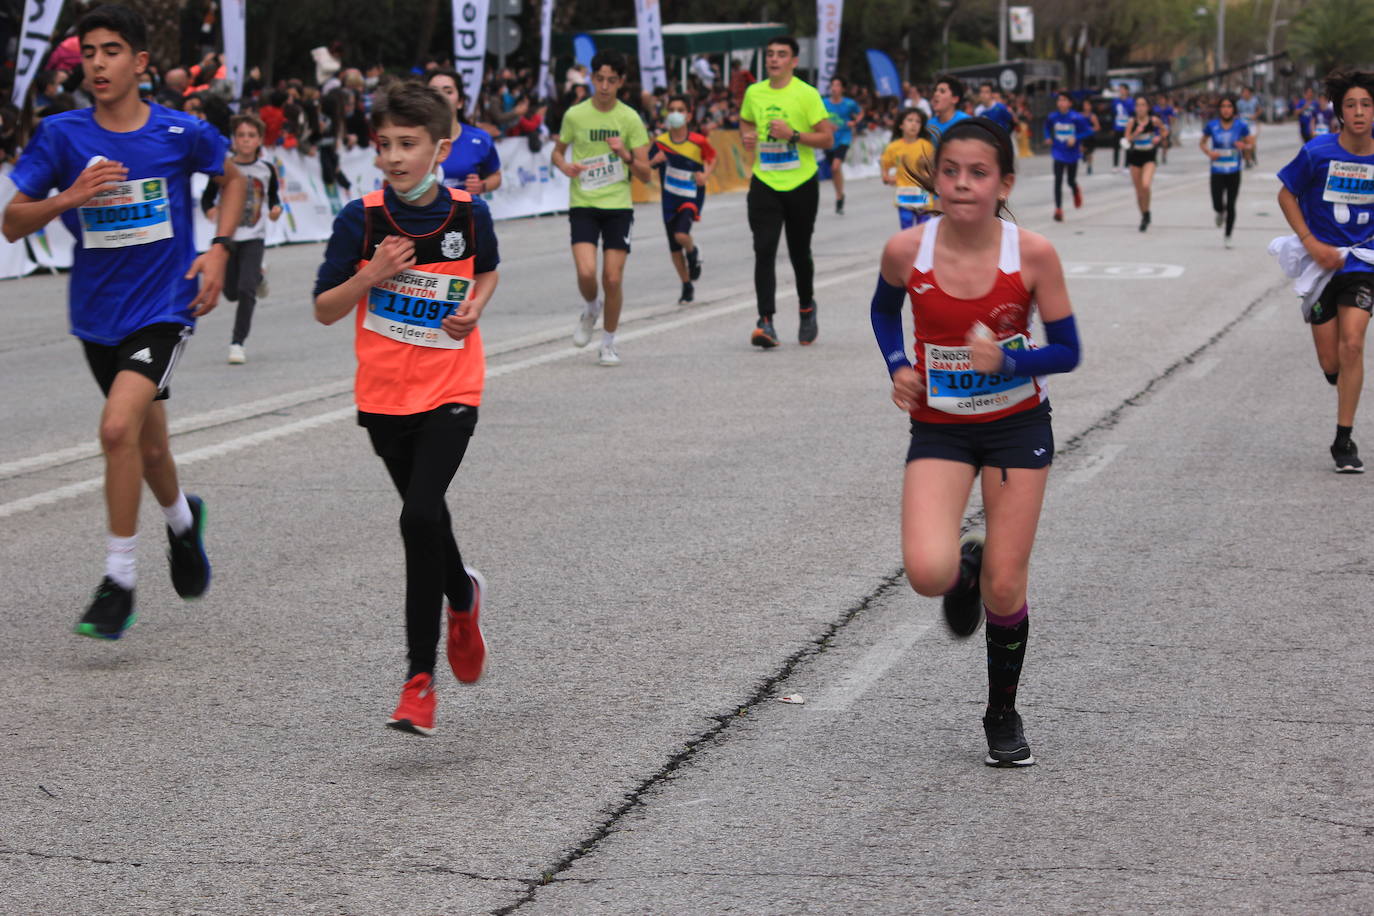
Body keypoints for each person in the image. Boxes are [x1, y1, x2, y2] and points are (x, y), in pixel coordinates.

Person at [1, 3, 244, 639]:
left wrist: (217, 249)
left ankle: (119, 580)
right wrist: (71, 197)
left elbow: (235, 177)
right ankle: (184, 526)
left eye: (111, 51)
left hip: (165, 307)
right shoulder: (62, 135)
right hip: (96, 316)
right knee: (150, 445)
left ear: (139, 62)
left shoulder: (178, 131)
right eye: (89, 53)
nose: (98, 64)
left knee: (116, 430)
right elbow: (12, 220)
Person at [869, 117, 1081, 767]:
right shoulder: (907, 250)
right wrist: (898, 365)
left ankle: (1001, 713)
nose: (962, 184)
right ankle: (965, 561)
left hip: (1017, 426)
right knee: (928, 572)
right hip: (941, 425)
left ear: (1004, 183)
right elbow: (883, 311)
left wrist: (1011, 365)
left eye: (978, 173)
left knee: (1005, 588)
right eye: (951, 171)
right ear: (935, 177)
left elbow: (1068, 351)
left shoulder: (1033, 254)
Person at [313, 81, 500, 735]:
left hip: (452, 387)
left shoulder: (467, 214)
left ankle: (418, 682)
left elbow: (486, 270)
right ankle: (462, 595)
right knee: (427, 522)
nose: (394, 157)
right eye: (385, 144)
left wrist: (475, 305)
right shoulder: (359, 220)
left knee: (418, 515)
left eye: (408, 144)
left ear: (441, 147)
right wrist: (370, 277)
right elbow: (324, 309)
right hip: (384, 396)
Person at [1276, 70, 1374, 474]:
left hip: (1363, 264)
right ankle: (1338, 376)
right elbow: (1286, 194)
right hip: (1321, 269)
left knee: (1353, 344)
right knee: (1331, 360)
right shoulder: (1317, 153)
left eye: (1366, 104)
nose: (1359, 112)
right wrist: (1311, 243)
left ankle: (1343, 438)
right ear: (1339, 112)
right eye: (1350, 105)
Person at [550, 49, 651, 367]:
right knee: (586, 271)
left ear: (621, 82)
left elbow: (646, 174)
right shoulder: (576, 115)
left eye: (611, 80)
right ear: (591, 78)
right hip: (584, 203)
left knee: (612, 278)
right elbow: (557, 152)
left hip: (619, 206)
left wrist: (625, 155)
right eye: (599, 79)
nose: (604, 86)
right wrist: (565, 166)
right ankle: (591, 308)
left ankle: (608, 343)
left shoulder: (630, 119)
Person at [739, 36, 834, 348]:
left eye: (781, 55)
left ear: (794, 61)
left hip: (801, 182)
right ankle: (765, 321)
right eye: (770, 54)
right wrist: (748, 137)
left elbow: (826, 139)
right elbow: (745, 122)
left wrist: (792, 135)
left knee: (798, 251)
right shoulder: (754, 92)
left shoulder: (806, 94)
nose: (774, 59)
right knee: (764, 248)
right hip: (765, 182)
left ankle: (807, 307)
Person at [200, 113, 281, 364]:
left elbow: (274, 197)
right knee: (232, 292)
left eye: (251, 136)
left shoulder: (266, 169)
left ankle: (238, 343)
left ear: (259, 140)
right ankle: (259, 275)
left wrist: (276, 209)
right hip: (228, 236)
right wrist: (210, 210)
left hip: (254, 236)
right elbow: (207, 197)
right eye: (241, 135)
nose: (246, 140)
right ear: (233, 140)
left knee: (246, 290)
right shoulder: (224, 167)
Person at [649, 94, 716, 305]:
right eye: (672, 110)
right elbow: (647, 165)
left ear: (688, 115)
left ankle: (693, 250)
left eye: (680, 110)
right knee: (673, 245)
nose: (675, 114)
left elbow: (712, 157)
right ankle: (686, 284)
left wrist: (705, 174)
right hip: (669, 197)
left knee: (681, 234)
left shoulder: (698, 141)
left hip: (691, 195)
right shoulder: (660, 142)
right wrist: (654, 161)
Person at [426, 69, 503, 196]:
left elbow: (496, 176)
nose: (441, 97)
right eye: (434, 92)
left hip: (467, 214)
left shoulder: (480, 139)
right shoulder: (413, 140)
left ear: (460, 102)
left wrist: (482, 186)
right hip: (425, 215)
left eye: (448, 91)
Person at [1199, 95, 1252, 249]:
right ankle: (1219, 212)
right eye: (1223, 106)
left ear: (1233, 109)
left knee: (1231, 204)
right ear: (1219, 109)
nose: (1226, 110)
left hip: (1234, 170)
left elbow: (1250, 144)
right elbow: (1202, 142)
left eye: (1229, 106)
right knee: (1217, 203)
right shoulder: (1212, 125)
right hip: (1217, 169)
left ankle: (1228, 235)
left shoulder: (1241, 125)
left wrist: (1244, 146)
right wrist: (1209, 152)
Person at [880, 106, 935, 229]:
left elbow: (933, 168)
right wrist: (885, 176)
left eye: (918, 121)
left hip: (922, 193)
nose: (914, 124)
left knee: (923, 230)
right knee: (907, 229)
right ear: (901, 125)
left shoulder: (926, 146)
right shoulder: (893, 147)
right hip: (904, 193)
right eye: (910, 120)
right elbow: (885, 163)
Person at [1044, 91, 1091, 222]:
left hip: (1072, 153)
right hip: (1058, 151)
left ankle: (1075, 189)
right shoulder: (1053, 117)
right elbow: (1047, 127)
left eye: (1064, 100)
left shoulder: (1077, 118)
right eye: (1059, 100)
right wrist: (1048, 137)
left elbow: (1088, 131)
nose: (1061, 103)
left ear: (1070, 103)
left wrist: (1076, 138)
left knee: (1070, 180)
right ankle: (1058, 209)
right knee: (1058, 180)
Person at [1124, 96, 1167, 231]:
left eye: (1143, 105)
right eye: (1138, 105)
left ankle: (1147, 210)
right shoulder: (1132, 122)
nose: (1140, 108)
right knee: (1139, 192)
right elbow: (1127, 139)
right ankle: (1144, 215)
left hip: (1149, 156)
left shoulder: (1154, 121)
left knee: (1145, 185)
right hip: (1135, 157)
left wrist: (1158, 137)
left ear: (1148, 107)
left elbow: (1165, 131)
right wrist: (1135, 133)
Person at [822, 77, 862, 214]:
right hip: (829, 139)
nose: (834, 88)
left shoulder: (849, 104)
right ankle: (840, 194)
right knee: (834, 170)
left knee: (836, 166)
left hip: (844, 138)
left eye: (838, 85)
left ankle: (839, 197)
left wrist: (855, 122)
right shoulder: (824, 102)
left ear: (843, 89)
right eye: (832, 85)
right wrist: (825, 125)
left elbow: (861, 112)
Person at [928, 75, 970, 143]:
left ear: (955, 99)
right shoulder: (929, 125)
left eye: (942, 91)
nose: (936, 94)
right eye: (935, 90)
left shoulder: (966, 123)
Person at [1236, 86, 1260, 168]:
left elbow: (1259, 110)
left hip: (1252, 125)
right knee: (1244, 144)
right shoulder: (1239, 103)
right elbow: (1236, 113)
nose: (1245, 94)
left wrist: (1255, 116)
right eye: (1243, 92)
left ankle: (1252, 155)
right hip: (1242, 125)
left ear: (1250, 93)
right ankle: (1247, 160)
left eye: (1246, 92)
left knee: (1251, 143)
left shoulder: (1254, 101)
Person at [1111, 84, 1132, 172]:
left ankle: (1126, 165)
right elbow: (1113, 114)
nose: (1121, 91)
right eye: (1120, 89)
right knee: (1116, 146)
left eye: (1122, 89)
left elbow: (1132, 114)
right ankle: (1115, 165)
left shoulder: (1131, 101)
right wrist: (1112, 127)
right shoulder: (1115, 101)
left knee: (1127, 146)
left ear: (1127, 91)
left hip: (1127, 127)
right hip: (1117, 127)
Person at [1079, 97, 1101, 175]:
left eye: (1087, 105)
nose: (1086, 107)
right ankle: (1083, 155)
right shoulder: (1080, 115)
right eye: (1084, 105)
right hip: (1082, 136)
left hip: (1090, 137)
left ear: (1090, 106)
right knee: (1081, 148)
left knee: (1089, 153)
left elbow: (1098, 127)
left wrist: (1091, 129)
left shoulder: (1093, 116)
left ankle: (1089, 166)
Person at [1152, 93, 1176, 165]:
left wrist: (1171, 124)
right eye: (1160, 99)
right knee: (1155, 142)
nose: (1161, 101)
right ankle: (1154, 157)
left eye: (1163, 99)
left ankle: (1164, 155)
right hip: (1156, 127)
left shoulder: (1169, 108)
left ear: (1166, 100)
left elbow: (1173, 118)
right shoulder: (1155, 108)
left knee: (1165, 141)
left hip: (1165, 127)